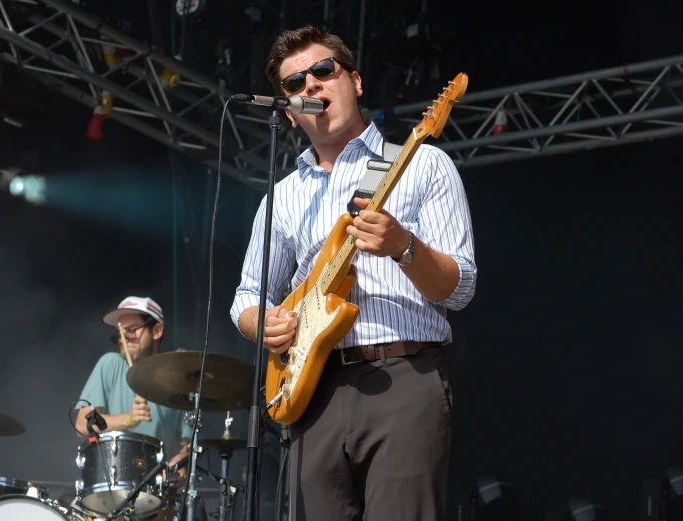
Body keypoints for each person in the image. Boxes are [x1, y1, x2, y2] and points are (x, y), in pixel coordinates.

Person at [229, 25, 477, 521]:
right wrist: (265, 324)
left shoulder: (423, 163)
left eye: (323, 71)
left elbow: (460, 288)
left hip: (404, 377)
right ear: (290, 110)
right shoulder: (282, 195)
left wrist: (403, 246)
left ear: (356, 81)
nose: (310, 88)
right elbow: (248, 294)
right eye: (295, 85)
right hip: (311, 389)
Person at [74, 296, 207, 521]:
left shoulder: (179, 378)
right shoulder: (110, 364)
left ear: (156, 331)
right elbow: (80, 424)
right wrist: (127, 420)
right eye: (120, 333)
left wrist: (179, 465)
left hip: (156, 497)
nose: (124, 337)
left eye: (132, 330)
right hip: (108, 493)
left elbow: (189, 444)